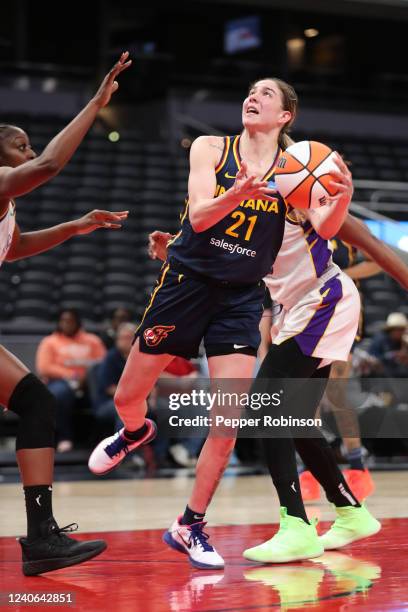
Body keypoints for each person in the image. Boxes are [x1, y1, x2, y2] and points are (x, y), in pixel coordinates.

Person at [88, 76, 361, 569]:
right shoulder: (213, 148)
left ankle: (190, 524)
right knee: (128, 397)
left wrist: (342, 195)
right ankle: (132, 433)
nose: (252, 97)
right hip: (184, 286)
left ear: (285, 117)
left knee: (227, 424)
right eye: (250, 92)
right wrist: (236, 193)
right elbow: (199, 219)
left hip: (240, 300)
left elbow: (325, 227)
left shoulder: (293, 169)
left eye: (266, 95)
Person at [0, 51, 131, 575]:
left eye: (29, 145)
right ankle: (40, 539)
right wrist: (96, 103)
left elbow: (11, 249)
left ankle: (40, 539)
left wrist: (73, 227)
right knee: (35, 400)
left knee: (35, 402)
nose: (29, 152)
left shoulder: (7, 205)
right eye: (19, 145)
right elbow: (50, 165)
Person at [297, 237, 381, 501]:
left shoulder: (347, 231)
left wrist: (337, 273)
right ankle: (310, 469)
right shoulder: (300, 227)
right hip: (307, 317)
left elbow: (376, 263)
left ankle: (357, 467)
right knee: (309, 398)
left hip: (342, 316)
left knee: (336, 395)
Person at [36, 309, 106, 452]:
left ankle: (100, 440)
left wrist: (86, 377)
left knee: (103, 395)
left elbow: (103, 364)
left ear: (78, 323)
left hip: (89, 382)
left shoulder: (92, 341)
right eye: (63, 321)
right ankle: (64, 437)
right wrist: (73, 375)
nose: (66, 324)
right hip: (60, 381)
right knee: (60, 394)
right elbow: (44, 367)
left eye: (70, 321)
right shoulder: (50, 342)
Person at [94, 322, 137, 429]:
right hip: (109, 402)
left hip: (139, 400)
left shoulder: (141, 357)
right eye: (121, 338)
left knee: (164, 404)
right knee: (127, 409)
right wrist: (135, 397)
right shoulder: (111, 357)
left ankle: (162, 446)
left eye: (128, 337)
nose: (124, 341)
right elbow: (110, 388)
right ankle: (123, 444)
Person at [368, 312, 408, 378]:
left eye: (403, 329)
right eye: (400, 329)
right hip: (381, 375)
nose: (403, 332)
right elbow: (374, 359)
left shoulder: (402, 340)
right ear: (392, 330)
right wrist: (394, 355)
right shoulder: (380, 339)